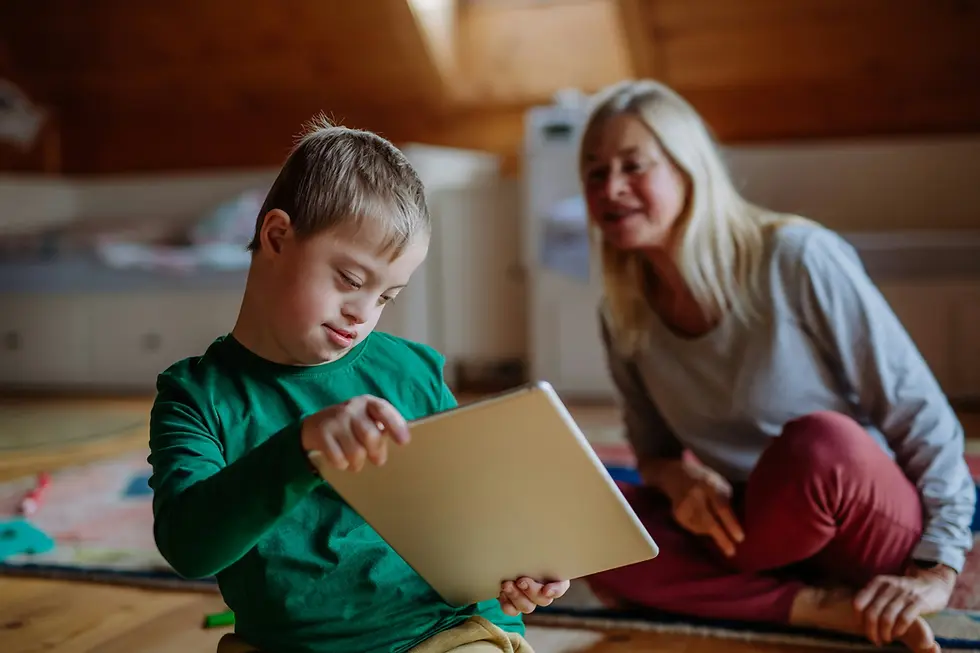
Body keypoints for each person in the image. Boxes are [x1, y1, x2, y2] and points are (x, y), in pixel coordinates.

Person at [577, 79, 974, 653]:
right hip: (747, 525)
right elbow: (653, 452)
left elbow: (920, 415)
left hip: (854, 513)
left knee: (820, 442)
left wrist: (938, 566)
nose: (611, 188)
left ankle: (726, 588)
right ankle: (815, 607)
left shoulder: (797, 257)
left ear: (690, 169)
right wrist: (678, 477)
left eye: (633, 166)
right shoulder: (622, 312)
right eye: (594, 172)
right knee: (590, 521)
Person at [146, 118, 569, 653]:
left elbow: (471, 516)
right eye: (349, 280)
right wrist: (302, 448)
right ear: (277, 237)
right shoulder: (196, 397)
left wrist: (519, 569)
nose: (363, 314)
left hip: (441, 635)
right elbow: (190, 548)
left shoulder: (411, 372)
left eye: (387, 296)